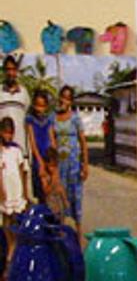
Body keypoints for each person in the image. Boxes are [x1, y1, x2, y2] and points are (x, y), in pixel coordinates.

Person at [54, 86, 89, 231]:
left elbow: (83, 142)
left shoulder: (75, 118)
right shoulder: (53, 118)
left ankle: (78, 233)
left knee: (76, 197)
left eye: (68, 98)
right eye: (63, 97)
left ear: (71, 101)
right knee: (60, 198)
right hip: (59, 165)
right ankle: (61, 233)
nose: (64, 101)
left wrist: (85, 165)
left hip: (74, 164)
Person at [0, 115, 28, 255]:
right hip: (6, 189)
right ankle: (9, 245)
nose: (8, 136)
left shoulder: (16, 150)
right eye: (5, 132)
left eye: (10, 133)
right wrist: (1, 190)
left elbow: (23, 170)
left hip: (16, 188)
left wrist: (25, 192)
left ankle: (16, 246)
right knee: (6, 219)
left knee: (16, 219)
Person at [24, 88, 56, 205]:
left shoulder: (49, 120)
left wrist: (54, 159)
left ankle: (51, 213)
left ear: (46, 106)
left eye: (42, 106)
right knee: (41, 189)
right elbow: (32, 142)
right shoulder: (30, 120)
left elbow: (52, 139)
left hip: (49, 157)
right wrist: (40, 162)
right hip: (38, 158)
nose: (39, 109)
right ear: (33, 104)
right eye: (37, 105)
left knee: (51, 187)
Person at [0, 55, 29, 158]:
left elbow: (27, 120)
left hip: (21, 147)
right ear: (4, 71)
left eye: (13, 69)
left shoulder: (24, 93)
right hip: (2, 149)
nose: (10, 73)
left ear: (16, 71)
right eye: (8, 69)